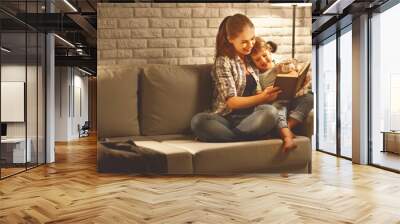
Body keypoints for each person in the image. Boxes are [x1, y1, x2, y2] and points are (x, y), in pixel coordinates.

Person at [191, 14, 282, 142]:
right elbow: (231, 102)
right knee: (199, 121)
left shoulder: (251, 61)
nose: (250, 45)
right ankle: (247, 136)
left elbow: (270, 68)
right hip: (225, 119)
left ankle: (230, 137)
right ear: (230, 39)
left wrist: (269, 94)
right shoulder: (223, 62)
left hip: (250, 118)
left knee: (271, 112)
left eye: (252, 39)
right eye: (244, 42)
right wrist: (262, 97)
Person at [250, 36, 313, 151]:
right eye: (257, 60)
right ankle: (287, 137)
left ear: (269, 51)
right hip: (276, 102)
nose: (263, 61)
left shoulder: (280, 65)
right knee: (277, 110)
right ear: (253, 62)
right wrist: (265, 93)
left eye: (264, 55)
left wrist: (303, 81)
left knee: (310, 98)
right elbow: (259, 95)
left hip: (292, 98)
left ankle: (287, 126)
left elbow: (295, 75)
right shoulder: (256, 75)